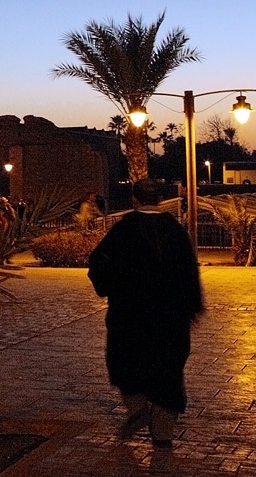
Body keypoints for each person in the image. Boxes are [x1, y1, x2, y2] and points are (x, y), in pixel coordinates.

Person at [87, 178, 204, 447]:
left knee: (126, 366)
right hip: (170, 319)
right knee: (168, 372)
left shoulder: (123, 230)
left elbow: (99, 265)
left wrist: (112, 287)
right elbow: (190, 272)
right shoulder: (176, 231)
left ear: (135, 200)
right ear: (160, 199)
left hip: (130, 317)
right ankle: (162, 435)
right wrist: (191, 307)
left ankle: (138, 409)